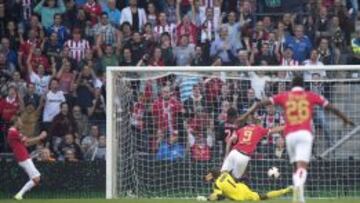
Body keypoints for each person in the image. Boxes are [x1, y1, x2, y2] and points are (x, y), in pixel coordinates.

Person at [241, 76, 354, 203]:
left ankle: (298, 195)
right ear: (303, 85)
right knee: (302, 166)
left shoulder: (284, 95)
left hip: (290, 135)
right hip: (305, 134)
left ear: (291, 86)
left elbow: (260, 103)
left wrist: (245, 115)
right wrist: (345, 118)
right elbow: (330, 107)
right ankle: (299, 193)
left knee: (295, 166)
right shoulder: (310, 95)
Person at [221, 114, 284, 180]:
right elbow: (274, 130)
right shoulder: (259, 129)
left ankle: (217, 188)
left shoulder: (242, 129)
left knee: (221, 176)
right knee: (234, 180)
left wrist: (226, 155)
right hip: (243, 156)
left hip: (233, 153)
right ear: (258, 123)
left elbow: (231, 140)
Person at [7, 114, 47, 200]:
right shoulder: (13, 132)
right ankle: (19, 195)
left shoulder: (14, 132)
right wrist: (40, 136)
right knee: (36, 178)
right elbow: (28, 141)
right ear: (16, 122)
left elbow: (26, 143)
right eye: (20, 121)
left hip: (23, 156)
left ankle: (19, 194)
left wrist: (39, 139)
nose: (21, 123)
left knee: (36, 178)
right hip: (22, 157)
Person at [203, 170, 292, 201]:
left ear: (212, 175)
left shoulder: (216, 184)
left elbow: (217, 195)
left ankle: (286, 190)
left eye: (208, 175)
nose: (207, 176)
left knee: (262, 197)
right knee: (261, 196)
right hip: (242, 187)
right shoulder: (225, 174)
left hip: (240, 196)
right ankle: (286, 190)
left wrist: (207, 199)